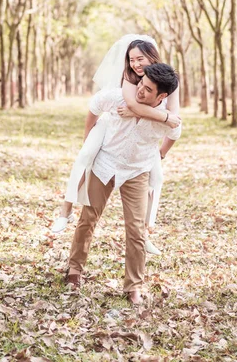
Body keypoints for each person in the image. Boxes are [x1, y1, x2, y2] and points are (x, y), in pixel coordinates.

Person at [51, 35, 181, 255]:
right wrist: (158, 116)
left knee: (156, 177)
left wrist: (162, 148)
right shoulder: (131, 77)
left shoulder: (167, 79)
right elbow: (132, 104)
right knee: (85, 156)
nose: (136, 64)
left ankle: (146, 232)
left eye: (140, 59)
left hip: (142, 142)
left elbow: (174, 117)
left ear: (152, 56)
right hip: (109, 123)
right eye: (131, 59)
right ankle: (66, 210)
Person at [65, 63, 181, 304]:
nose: (140, 90)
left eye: (148, 90)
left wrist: (160, 155)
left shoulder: (166, 119)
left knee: (137, 230)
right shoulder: (119, 97)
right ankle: (74, 270)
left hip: (136, 171)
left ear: (161, 97)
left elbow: (175, 133)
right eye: (140, 83)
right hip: (105, 164)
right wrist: (88, 141)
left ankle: (133, 286)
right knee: (88, 218)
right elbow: (95, 104)